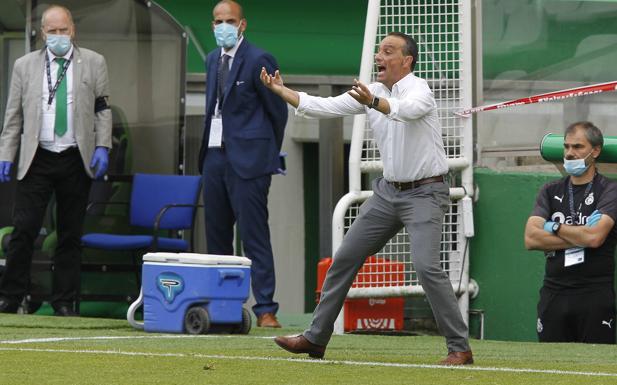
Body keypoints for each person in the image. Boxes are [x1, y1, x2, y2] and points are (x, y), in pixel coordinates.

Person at [261, 32, 473, 364]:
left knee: (426, 267)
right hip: (388, 192)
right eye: (379, 51)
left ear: (407, 61)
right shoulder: (370, 92)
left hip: (427, 192)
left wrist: (373, 102)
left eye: (388, 52)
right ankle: (315, 339)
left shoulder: (419, 90)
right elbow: (323, 106)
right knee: (343, 258)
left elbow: (405, 110)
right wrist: (280, 90)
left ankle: (459, 347)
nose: (379, 57)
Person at [0, 5, 111, 316]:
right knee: (24, 229)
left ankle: (63, 301)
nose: (59, 36)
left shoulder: (93, 62)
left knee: (70, 233)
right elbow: (13, 117)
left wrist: (103, 146)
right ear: (43, 33)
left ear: (72, 30)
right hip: (37, 157)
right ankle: (10, 296)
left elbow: (103, 109)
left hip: (75, 156)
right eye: (53, 31)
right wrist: (5, 154)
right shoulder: (24, 66)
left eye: (64, 30)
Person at [198, 0, 288, 328]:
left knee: (254, 235)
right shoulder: (211, 60)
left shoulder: (258, 59)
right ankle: (221, 305)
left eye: (230, 20)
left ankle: (266, 308)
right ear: (212, 25)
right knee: (217, 235)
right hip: (214, 156)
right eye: (218, 20)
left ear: (242, 24)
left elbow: (278, 112)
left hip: (250, 160)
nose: (224, 26)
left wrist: (264, 153)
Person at [524, 121, 617, 344]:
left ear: (595, 151)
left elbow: (595, 238)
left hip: (594, 293)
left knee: (596, 369)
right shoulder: (550, 190)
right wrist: (581, 234)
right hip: (554, 292)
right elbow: (531, 238)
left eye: (578, 147)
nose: (570, 153)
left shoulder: (610, 189)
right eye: (566, 147)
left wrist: (554, 227)